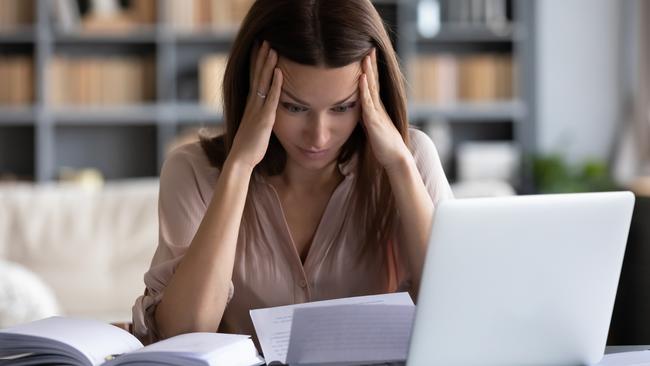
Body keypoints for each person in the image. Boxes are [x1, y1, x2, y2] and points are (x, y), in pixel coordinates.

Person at [132, 0, 453, 345]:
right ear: (255, 89)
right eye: (294, 106)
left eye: (343, 107)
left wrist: (401, 167)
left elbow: (456, 310)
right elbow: (183, 334)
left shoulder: (411, 158)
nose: (319, 136)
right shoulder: (191, 171)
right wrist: (238, 168)